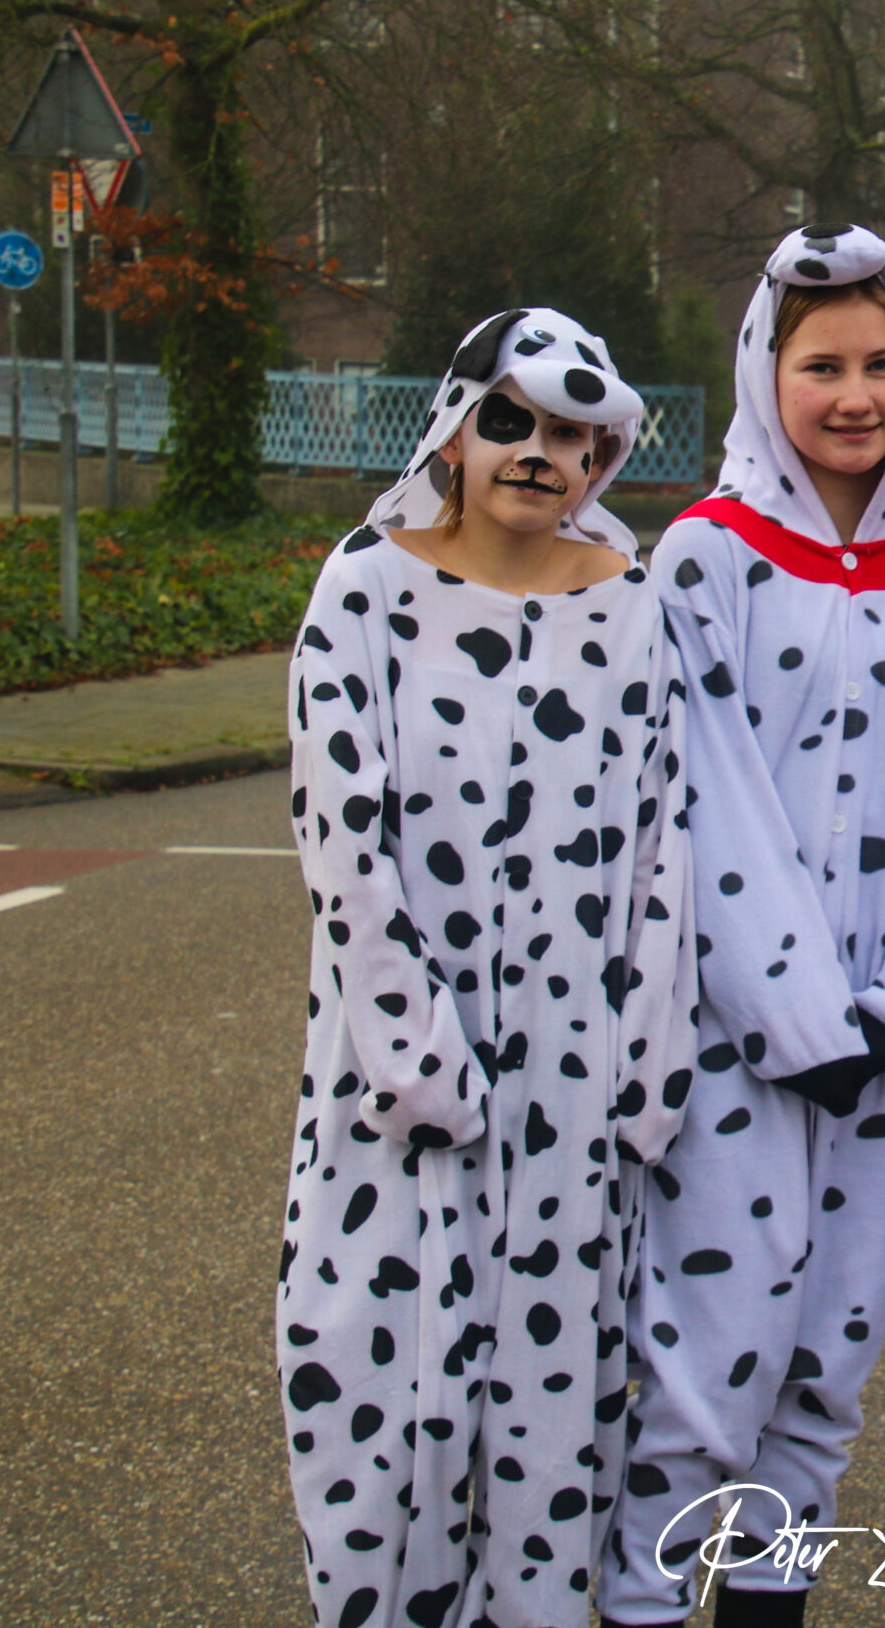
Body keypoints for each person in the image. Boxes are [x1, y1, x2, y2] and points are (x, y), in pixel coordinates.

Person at [602, 225, 885, 1628]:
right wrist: (794, 1008)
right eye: (821, 365)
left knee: (830, 1354)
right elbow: (702, 796)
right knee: (705, 1360)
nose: (855, 395)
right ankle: (644, 1596)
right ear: (763, 373)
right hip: (728, 1040)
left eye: (881, 364)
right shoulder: (703, 560)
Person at [274, 307, 700, 1628]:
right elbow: (341, 838)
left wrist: (647, 1060)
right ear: (454, 431)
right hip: (393, 1083)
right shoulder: (364, 587)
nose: (536, 453)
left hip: (575, 1084)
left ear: (601, 456)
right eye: (509, 421)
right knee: (370, 1368)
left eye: (570, 435)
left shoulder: (630, 605)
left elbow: (662, 846)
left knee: (551, 1393)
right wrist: (409, 1046)